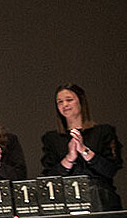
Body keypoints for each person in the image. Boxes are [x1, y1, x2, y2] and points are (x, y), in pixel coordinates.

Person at [40, 83, 122, 211]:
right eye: (60, 102)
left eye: (69, 100)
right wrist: (69, 158)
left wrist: (84, 150)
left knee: (95, 192)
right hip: (67, 198)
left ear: (81, 102)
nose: (64, 105)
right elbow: (50, 177)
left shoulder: (103, 132)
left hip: (100, 197)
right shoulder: (52, 138)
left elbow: (110, 170)